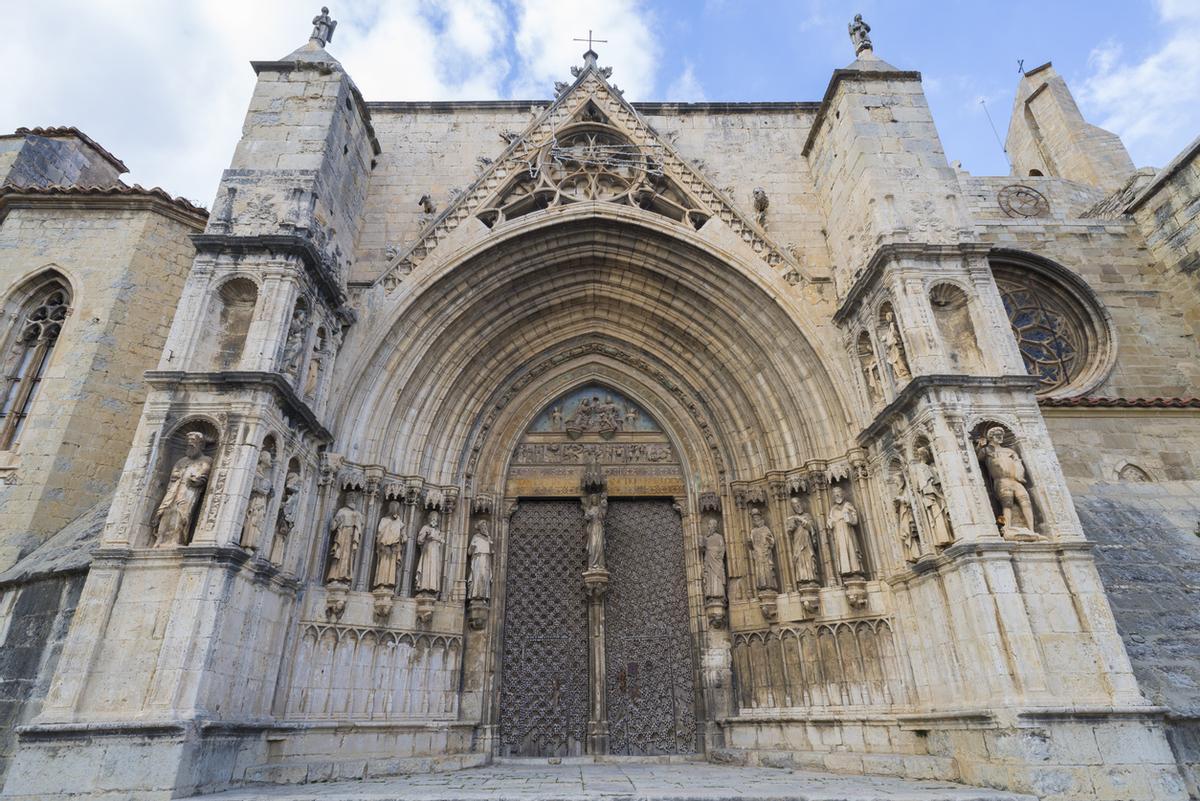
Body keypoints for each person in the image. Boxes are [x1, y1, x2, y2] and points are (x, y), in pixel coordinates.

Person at [152, 431, 212, 546]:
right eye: (188, 444)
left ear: (201, 445)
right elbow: (174, 474)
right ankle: (160, 539)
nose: (190, 445)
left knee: (182, 514)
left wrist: (196, 479)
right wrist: (175, 476)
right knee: (165, 511)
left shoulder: (206, 460)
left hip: (189, 491)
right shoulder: (182, 461)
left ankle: (176, 540)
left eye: (193, 443)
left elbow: (203, 474)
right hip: (174, 490)